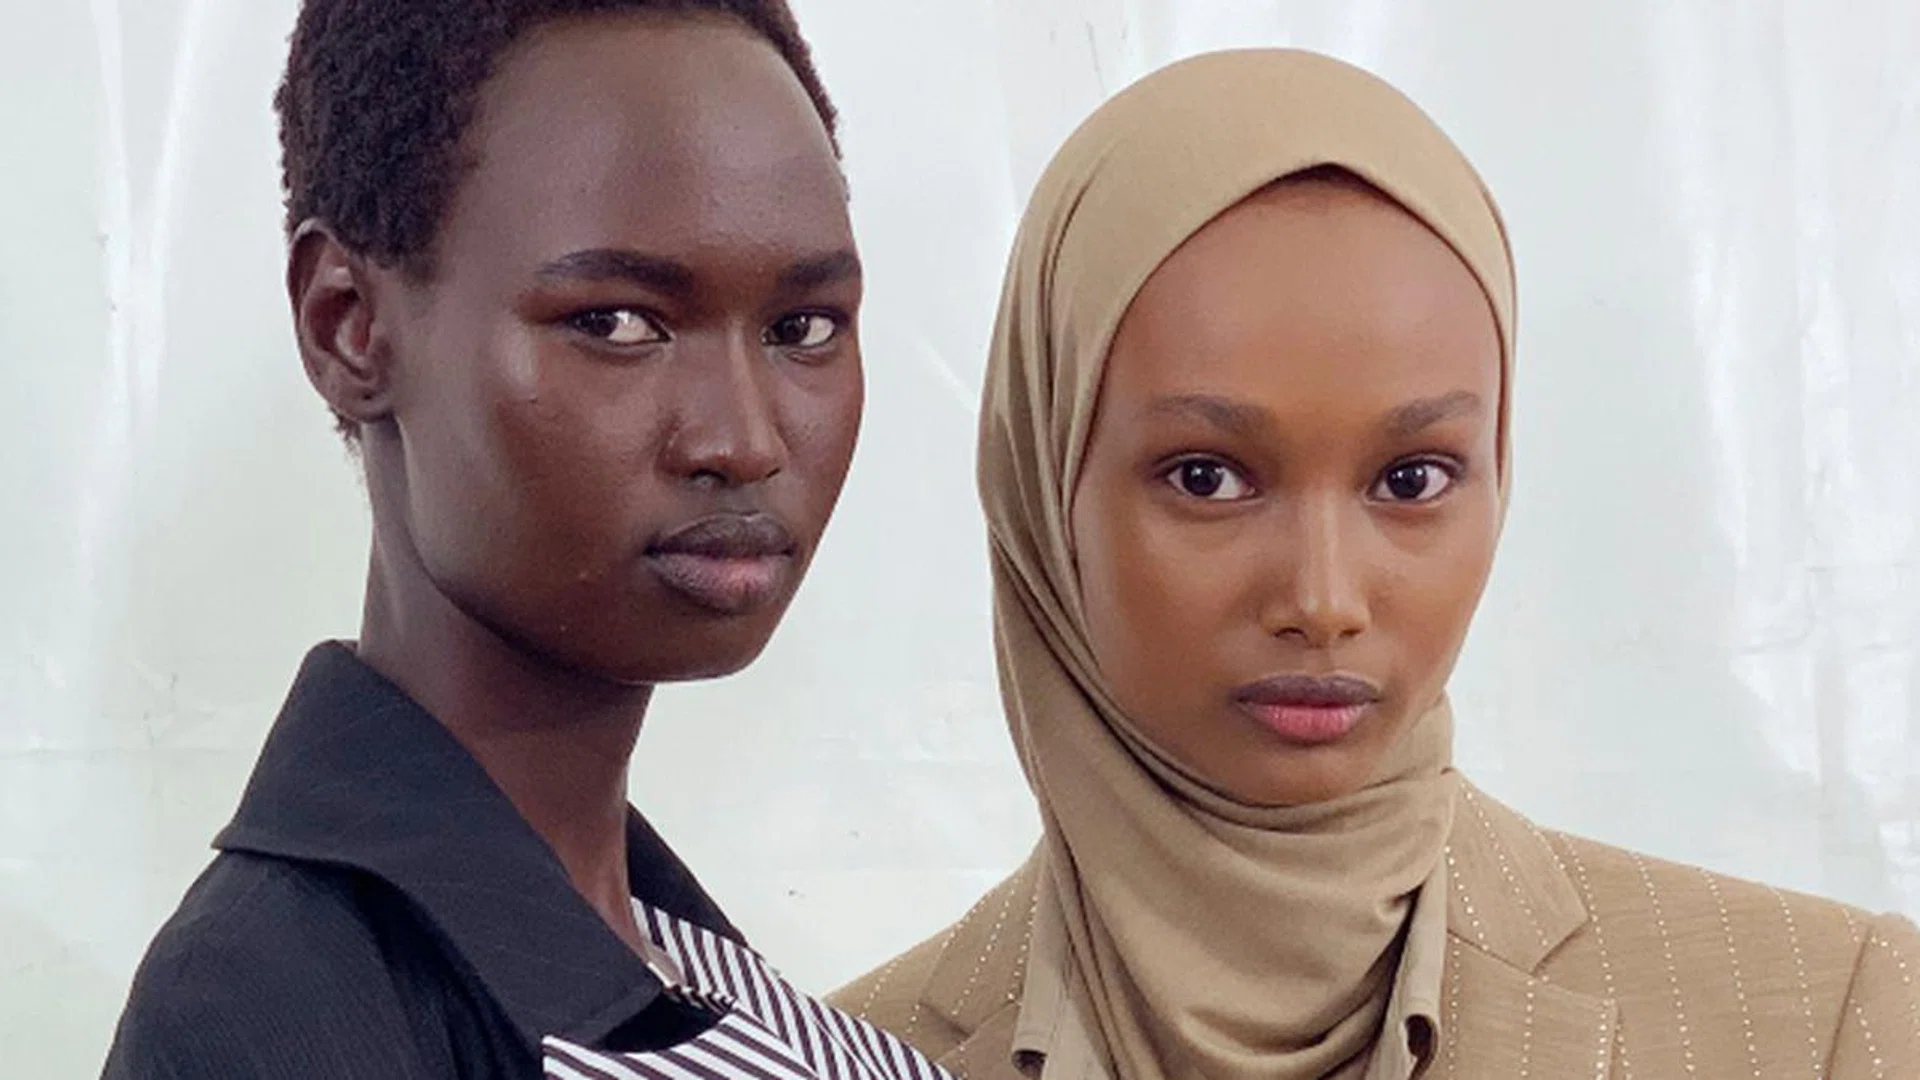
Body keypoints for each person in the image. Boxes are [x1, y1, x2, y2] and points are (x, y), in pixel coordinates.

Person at [832, 49, 1920, 1079]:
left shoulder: (1832, 1020)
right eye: (1207, 477)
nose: (1322, 600)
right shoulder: (841, 1058)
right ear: (1041, 484)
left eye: (1411, 479)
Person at [102, 3, 949, 1079]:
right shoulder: (273, 1010)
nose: (742, 440)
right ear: (348, 325)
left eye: (802, 328)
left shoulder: (677, 967)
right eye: (616, 322)